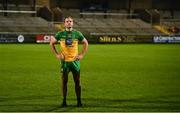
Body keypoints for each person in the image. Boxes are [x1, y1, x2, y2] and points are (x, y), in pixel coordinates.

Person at [50, 16, 88, 107]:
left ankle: (79, 101)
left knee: (77, 82)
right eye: (67, 21)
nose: (69, 22)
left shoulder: (77, 34)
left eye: (70, 21)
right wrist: (57, 54)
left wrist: (82, 55)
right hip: (65, 62)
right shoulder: (60, 34)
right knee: (64, 82)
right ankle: (64, 101)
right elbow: (51, 43)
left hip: (75, 62)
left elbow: (86, 43)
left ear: (73, 23)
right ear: (64, 23)